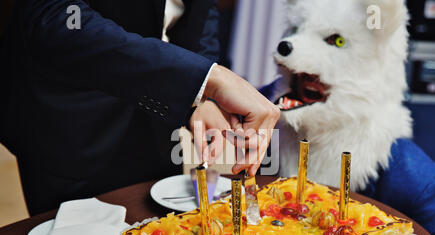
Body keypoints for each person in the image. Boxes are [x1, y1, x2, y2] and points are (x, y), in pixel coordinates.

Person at [0, 0, 280, 215]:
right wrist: (206, 78)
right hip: (73, 119)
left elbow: (200, 12)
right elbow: (53, 16)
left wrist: (200, 95)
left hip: (157, 113)